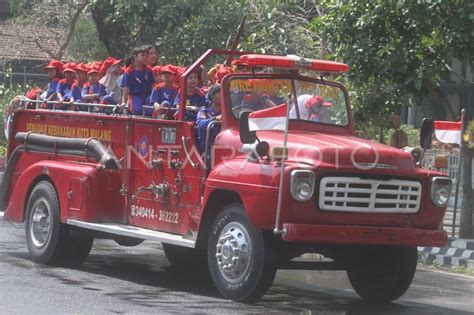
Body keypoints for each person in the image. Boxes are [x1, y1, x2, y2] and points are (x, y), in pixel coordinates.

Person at [120, 46, 155, 115]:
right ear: (135, 57)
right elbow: (126, 87)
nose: (145, 57)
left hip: (147, 96)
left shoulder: (149, 70)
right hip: (135, 96)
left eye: (146, 56)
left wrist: (153, 97)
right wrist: (123, 101)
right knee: (137, 110)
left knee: (150, 111)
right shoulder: (129, 71)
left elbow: (153, 85)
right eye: (143, 55)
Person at [197, 84, 222, 154]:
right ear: (212, 97)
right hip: (208, 150)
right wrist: (215, 119)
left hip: (224, 146)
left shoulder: (227, 112)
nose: (224, 96)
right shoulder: (204, 110)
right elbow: (200, 124)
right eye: (220, 93)